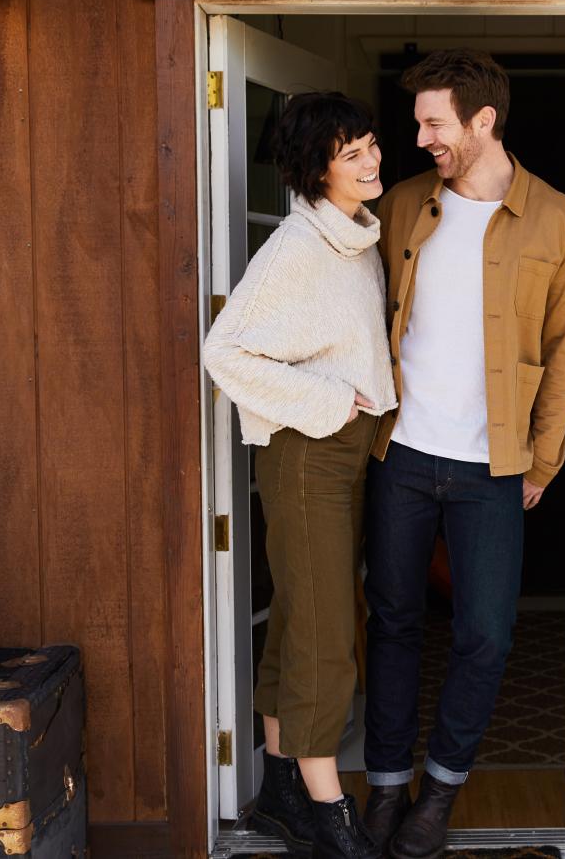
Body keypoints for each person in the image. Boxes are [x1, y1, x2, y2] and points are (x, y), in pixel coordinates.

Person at [362, 49, 565, 858]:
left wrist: (543, 460)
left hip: (493, 465)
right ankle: (386, 789)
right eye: (420, 122)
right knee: (392, 624)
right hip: (401, 454)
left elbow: (561, 349)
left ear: (483, 120)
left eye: (435, 123)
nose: (422, 137)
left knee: (485, 635)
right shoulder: (402, 205)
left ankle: (438, 797)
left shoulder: (557, 220)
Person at [202, 91, 397, 859]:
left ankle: (281, 786)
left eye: (371, 144)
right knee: (325, 635)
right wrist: (328, 400)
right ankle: (328, 808)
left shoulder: (354, 235)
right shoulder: (296, 248)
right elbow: (224, 351)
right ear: (317, 170)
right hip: (309, 452)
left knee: (296, 619)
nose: (372, 160)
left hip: (343, 450)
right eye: (352, 154)